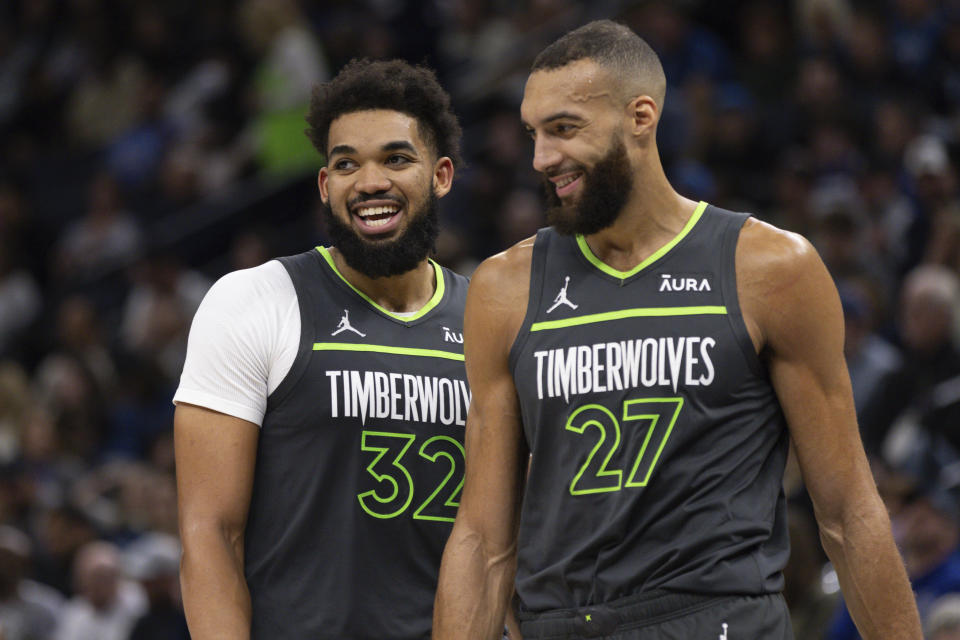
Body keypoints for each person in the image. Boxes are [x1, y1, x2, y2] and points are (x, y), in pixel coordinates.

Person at [433, 20, 922, 640]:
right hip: (563, 621)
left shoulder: (769, 268)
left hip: (718, 617)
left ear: (641, 116)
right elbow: (482, 537)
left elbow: (849, 511)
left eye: (564, 128)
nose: (541, 158)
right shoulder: (503, 288)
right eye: (533, 133)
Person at [174, 58, 468, 639]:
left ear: (441, 175)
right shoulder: (255, 299)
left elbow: (503, 537)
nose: (370, 182)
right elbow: (209, 533)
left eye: (396, 158)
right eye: (346, 164)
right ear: (324, 185)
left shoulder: (488, 317)